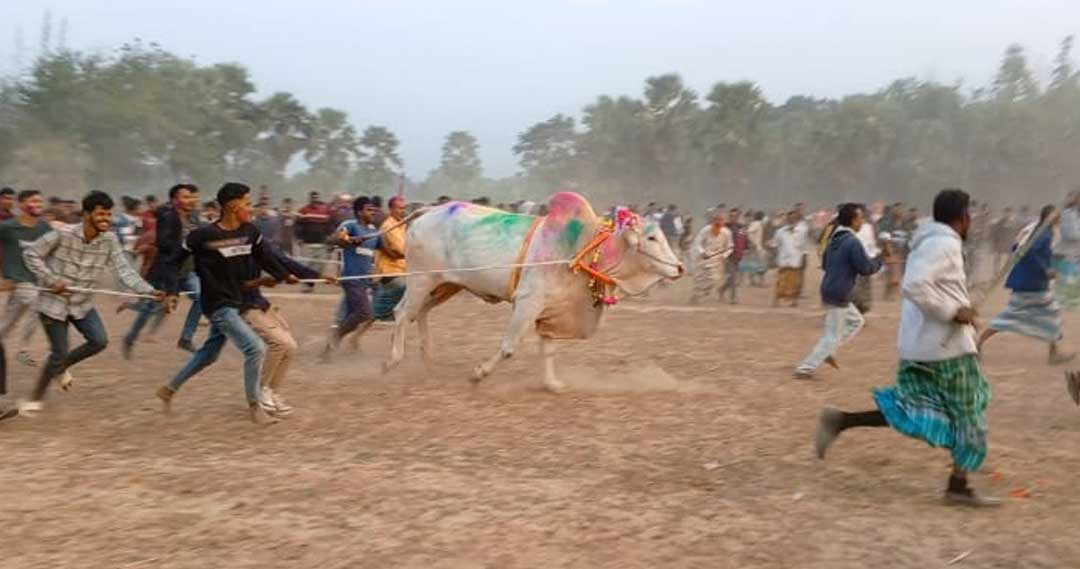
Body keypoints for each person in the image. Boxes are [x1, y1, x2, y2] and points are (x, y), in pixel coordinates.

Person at [815, 189, 1000, 507]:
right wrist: (954, 312)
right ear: (963, 218)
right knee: (970, 413)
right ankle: (958, 485)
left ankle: (840, 420)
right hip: (947, 350)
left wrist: (961, 306)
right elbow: (915, 284)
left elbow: (931, 286)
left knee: (913, 408)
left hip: (923, 346)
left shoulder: (930, 241)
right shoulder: (944, 244)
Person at [155, 182, 293, 425]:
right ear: (232, 206)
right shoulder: (203, 236)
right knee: (255, 349)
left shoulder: (250, 232)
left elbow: (269, 259)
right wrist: (172, 290)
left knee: (208, 355)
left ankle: (168, 389)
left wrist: (285, 275)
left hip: (238, 301)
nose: (251, 209)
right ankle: (255, 408)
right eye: (247, 204)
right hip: (218, 304)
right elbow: (171, 260)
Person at [21, 191, 165, 414]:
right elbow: (31, 254)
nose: (106, 219)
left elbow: (125, 271)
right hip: (53, 303)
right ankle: (35, 398)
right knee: (59, 352)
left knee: (99, 341)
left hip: (82, 303)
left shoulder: (109, 240)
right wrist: (51, 279)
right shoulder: (62, 234)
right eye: (100, 214)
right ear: (87, 214)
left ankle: (60, 368)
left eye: (108, 214)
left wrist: (149, 290)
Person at [977, 205, 1075, 365]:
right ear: (1049, 216)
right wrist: (1045, 270)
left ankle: (1053, 352)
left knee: (1050, 313)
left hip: (1033, 284)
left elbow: (1024, 249)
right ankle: (978, 342)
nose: (1059, 217)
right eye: (1056, 214)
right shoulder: (1044, 234)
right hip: (1030, 285)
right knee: (1012, 316)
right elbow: (1030, 253)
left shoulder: (1041, 231)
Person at [795, 203, 881, 378]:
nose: (862, 222)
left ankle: (829, 351)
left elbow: (825, 263)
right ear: (853, 220)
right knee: (831, 335)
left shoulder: (835, 238)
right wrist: (880, 261)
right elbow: (865, 268)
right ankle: (805, 368)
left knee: (856, 321)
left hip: (830, 287)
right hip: (840, 291)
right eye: (860, 218)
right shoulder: (852, 242)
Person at [122, 184, 203, 358]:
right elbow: (163, 244)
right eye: (185, 197)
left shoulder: (195, 218)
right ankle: (130, 338)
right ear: (175, 200)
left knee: (201, 298)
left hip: (187, 271)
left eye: (191, 197)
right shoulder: (167, 217)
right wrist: (184, 244)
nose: (191, 200)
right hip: (166, 271)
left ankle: (186, 338)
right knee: (150, 307)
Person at [0, 190, 53, 419]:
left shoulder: (45, 229)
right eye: (32, 200)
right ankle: (23, 348)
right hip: (17, 287)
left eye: (40, 200)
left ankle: (23, 348)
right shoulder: (8, 227)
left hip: (33, 285)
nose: (37, 204)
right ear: (21, 205)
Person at [322, 196, 379, 360]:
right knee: (364, 313)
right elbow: (331, 240)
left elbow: (385, 250)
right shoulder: (350, 225)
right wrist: (348, 240)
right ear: (359, 212)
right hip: (351, 278)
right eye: (369, 209)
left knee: (347, 317)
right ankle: (335, 339)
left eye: (373, 209)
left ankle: (327, 351)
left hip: (365, 280)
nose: (372, 212)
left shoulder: (374, 231)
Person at [374, 196, 408, 321]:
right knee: (406, 288)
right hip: (389, 271)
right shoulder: (389, 226)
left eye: (404, 208)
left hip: (402, 269)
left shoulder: (402, 225)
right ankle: (384, 313)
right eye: (399, 208)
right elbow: (401, 249)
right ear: (391, 209)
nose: (403, 211)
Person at [689, 210, 733, 305]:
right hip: (704, 259)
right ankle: (696, 295)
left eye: (721, 220)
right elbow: (697, 243)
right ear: (713, 220)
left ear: (723, 221)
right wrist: (703, 252)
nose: (718, 222)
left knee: (714, 280)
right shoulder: (705, 230)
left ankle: (702, 294)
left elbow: (730, 247)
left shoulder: (726, 232)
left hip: (717, 261)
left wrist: (724, 256)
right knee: (700, 279)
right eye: (716, 220)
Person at [296, 191, 333, 292]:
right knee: (306, 265)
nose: (314, 200)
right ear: (310, 199)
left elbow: (329, 226)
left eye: (316, 198)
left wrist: (330, 238)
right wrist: (299, 238)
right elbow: (298, 225)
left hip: (321, 243)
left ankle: (310, 283)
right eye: (312, 198)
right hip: (307, 243)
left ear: (318, 198)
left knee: (319, 265)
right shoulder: (303, 210)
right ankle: (306, 285)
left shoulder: (325, 211)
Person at [771, 210, 805, 307]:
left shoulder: (801, 231)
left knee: (795, 282)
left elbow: (803, 246)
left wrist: (802, 257)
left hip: (796, 259)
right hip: (783, 260)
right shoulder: (780, 232)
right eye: (789, 218)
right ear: (787, 219)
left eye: (793, 218)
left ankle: (794, 301)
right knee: (780, 281)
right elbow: (776, 244)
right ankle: (776, 300)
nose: (791, 220)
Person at [852, 204, 879, 314]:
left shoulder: (868, 227)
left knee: (864, 288)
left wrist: (873, 257)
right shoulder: (848, 227)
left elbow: (871, 244)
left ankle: (861, 311)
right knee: (853, 288)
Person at [719, 207, 747, 303]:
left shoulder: (741, 227)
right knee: (733, 276)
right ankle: (733, 298)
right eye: (731, 216)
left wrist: (746, 248)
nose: (733, 217)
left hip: (738, 255)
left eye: (735, 216)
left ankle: (722, 289)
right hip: (728, 255)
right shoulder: (725, 227)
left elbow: (745, 239)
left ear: (738, 217)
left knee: (732, 277)